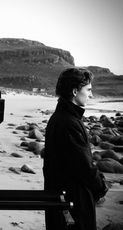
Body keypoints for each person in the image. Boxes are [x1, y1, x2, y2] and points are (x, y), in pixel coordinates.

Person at [43, 67, 108, 230]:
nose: (91, 95)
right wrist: (101, 187)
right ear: (74, 91)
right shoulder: (68, 122)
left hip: (64, 202)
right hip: (72, 205)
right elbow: (84, 166)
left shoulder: (63, 117)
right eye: (88, 90)